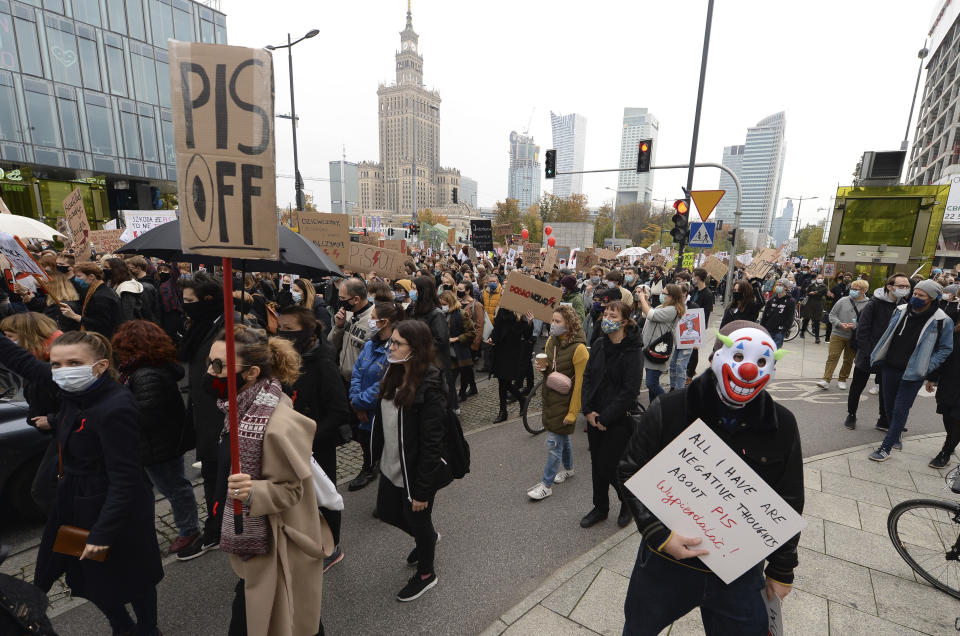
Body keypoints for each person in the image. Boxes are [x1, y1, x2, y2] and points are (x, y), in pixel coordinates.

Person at [616, 321, 803, 636]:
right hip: (667, 563)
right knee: (638, 630)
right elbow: (629, 468)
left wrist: (782, 569)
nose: (748, 371)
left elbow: (789, 498)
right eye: (739, 356)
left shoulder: (781, 425)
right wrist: (657, 534)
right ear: (716, 355)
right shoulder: (670, 409)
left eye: (760, 362)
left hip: (739, 571)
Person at [0, 330, 164, 635]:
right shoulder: (74, 389)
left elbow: (125, 478)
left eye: (73, 362)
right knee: (85, 573)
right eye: (56, 364)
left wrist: (102, 532)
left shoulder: (115, 407)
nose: (62, 372)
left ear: (100, 366)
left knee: (134, 575)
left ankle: (148, 628)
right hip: (76, 503)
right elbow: (22, 362)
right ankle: (121, 626)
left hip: (117, 510)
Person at [207, 326, 333, 636]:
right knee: (290, 614)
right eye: (210, 362)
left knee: (271, 616)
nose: (210, 371)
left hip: (276, 542)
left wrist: (254, 491)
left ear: (250, 373)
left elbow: (292, 490)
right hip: (258, 536)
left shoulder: (276, 423)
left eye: (219, 365)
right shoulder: (240, 405)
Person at [370, 320, 452, 602]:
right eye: (390, 342)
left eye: (397, 343)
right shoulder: (392, 372)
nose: (390, 347)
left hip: (416, 472)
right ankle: (426, 538)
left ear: (415, 349)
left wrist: (422, 490)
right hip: (391, 465)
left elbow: (432, 444)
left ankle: (427, 574)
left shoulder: (430, 385)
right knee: (387, 511)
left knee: (418, 520)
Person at [112, 320, 200, 555]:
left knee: (174, 488)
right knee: (168, 486)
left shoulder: (144, 374)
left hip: (157, 445)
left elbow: (146, 416)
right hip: (157, 443)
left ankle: (189, 530)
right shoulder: (146, 369)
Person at [277, 305, 351, 571]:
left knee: (325, 493)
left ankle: (333, 546)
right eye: (279, 328)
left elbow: (340, 410)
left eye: (289, 329)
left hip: (317, 442)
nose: (281, 334)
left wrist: (310, 437)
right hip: (292, 440)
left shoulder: (323, 362)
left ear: (307, 331)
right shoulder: (286, 358)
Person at [868, 279, 954, 461]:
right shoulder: (900, 311)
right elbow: (888, 335)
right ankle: (896, 433)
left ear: (932, 298)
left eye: (921, 295)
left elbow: (946, 348)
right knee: (889, 407)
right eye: (914, 293)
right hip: (890, 367)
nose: (915, 297)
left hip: (913, 373)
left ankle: (886, 448)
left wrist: (928, 367)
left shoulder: (942, 320)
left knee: (900, 409)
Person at [176, 272, 228, 560]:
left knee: (219, 473)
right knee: (211, 470)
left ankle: (218, 528)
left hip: (219, 413)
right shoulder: (201, 324)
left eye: (190, 301)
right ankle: (217, 524)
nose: (186, 306)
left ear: (208, 300)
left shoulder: (227, 326)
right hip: (204, 411)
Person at [580, 300, 643, 529]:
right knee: (597, 465)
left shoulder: (633, 351)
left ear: (625, 321)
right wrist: (587, 410)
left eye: (613, 316)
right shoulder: (599, 344)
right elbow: (588, 378)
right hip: (594, 416)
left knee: (610, 467)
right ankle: (600, 507)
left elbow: (630, 391)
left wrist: (604, 418)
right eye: (606, 314)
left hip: (618, 419)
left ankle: (627, 502)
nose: (607, 319)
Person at [0, 313, 62, 514]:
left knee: (44, 490)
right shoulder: (38, 360)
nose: (10, 342)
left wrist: (52, 421)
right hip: (61, 434)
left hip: (69, 436)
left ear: (28, 335)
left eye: (11, 336)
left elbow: (85, 406)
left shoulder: (57, 363)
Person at [527, 306, 588, 501]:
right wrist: (542, 369)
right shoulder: (551, 342)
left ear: (569, 325)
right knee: (563, 438)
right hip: (551, 398)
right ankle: (569, 469)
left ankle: (546, 484)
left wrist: (572, 413)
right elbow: (548, 374)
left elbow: (579, 385)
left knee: (554, 445)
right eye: (552, 321)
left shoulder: (579, 350)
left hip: (565, 403)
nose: (552, 325)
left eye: (557, 321)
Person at [846, 274, 909, 430]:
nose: (905, 289)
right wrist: (869, 352)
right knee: (858, 385)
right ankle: (851, 414)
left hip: (890, 355)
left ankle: (884, 418)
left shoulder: (905, 306)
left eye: (907, 286)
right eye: (901, 286)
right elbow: (862, 331)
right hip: (869, 352)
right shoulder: (873, 304)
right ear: (889, 287)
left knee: (886, 389)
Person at [348, 301, 399, 491]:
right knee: (363, 438)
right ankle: (369, 466)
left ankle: (377, 472)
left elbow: (385, 382)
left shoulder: (393, 347)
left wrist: (360, 402)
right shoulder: (370, 344)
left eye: (372, 317)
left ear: (384, 322)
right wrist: (355, 398)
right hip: (361, 403)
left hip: (378, 408)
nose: (370, 320)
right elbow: (357, 371)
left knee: (379, 442)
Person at [816, 278, 870, 391]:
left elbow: (868, 322)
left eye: (856, 289)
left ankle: (842, 379)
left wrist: (855, 326)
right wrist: (840, 324)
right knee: (832, 357)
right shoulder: (843, 300)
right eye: (852, 288)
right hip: (838, 334)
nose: (853, 290)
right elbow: (832, 315)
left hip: (853, 336)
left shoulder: (868, 304)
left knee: (848, 360)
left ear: (864, 290)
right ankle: (826, 379)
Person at [636, 283, 683, 403]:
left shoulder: (672, 310)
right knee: (653, 385)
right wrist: (646, 301)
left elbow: (651, 315)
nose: (661, 295)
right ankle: (655, 408)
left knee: (651, 384)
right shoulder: (663, 306)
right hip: (650, 349)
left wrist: (642, 298)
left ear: (672, 296)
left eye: (664, 293)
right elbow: (647, 314)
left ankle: (668, 403)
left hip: (658, 350)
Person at [488, 308, 534, 424]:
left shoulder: (519, 315)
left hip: (512, 353)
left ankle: (507, 409)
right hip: (500, 351)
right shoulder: (502, 311)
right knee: (502, 382)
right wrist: (491, 338)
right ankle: (506, 409)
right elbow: (496, 329)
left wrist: (529, 322)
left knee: (505, 382)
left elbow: (526, 335)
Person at [59, 262, 120, 338]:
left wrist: (74, 316)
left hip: (102, 339)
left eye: (79, 276)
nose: (76, 279)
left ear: (91, 276)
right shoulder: (94, 290)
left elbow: (101, 323)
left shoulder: (102, 296)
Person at [438, 290, 475, 409]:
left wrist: (456, 339)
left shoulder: (461, 314)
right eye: (441, 304)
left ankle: (456, 402)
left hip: (458, 352)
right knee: (449, 381)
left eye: (444, 304)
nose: (442, 306)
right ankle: (453, 403)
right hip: (446, 353)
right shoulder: (441, 314)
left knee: (455, 379)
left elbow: (471, 333)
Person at [686, 268, 715, 380]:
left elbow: (706, 313)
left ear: (697, 277)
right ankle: (688, 370)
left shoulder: (707, 294)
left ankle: (690, 373)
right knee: (688, 349)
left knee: (694, 350)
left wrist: (700, 328)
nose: (692, 278)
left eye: (693, 276)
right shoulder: (695, 291)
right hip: (689, 322)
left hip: (698, 325)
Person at [103, 258, 152, 324]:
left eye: (107, 267)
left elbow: (127, 315)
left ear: (116, 269)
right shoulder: (114, 283)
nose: (104, 270)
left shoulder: (127, 288)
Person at [458, 280, 485, 375]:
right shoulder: (458, 303)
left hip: (469, 342)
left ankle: (469, 387)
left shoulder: (476, 305)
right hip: (459, 340)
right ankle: (471, 387)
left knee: (467, 369)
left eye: (460, 289)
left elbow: (479, 326)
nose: (458, 290)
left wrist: (475, 345)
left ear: (468, 291)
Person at [759, 278, 796, 348]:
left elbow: (790, 317)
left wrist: (785, 329)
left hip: (779, 331)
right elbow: (764, 315)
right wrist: (762, 326)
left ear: (786, 287)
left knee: (774, 352)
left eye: (781, 285)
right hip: (768, 329)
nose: (778, 286)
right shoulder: (772, 300)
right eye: (777, 285)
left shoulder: (790, 301)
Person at [799, 273, 827, 343]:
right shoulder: (811, 285)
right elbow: (807, 292)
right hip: (810, 304)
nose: (820, 279)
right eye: (819, 278)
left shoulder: (824, 286)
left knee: (817, 321)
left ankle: (817, 337)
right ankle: (802, 332)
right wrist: (809, 293)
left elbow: (823, 293)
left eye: (821, 278)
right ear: (816, 278)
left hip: (818, 305)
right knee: (806, 319)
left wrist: (816, 292)